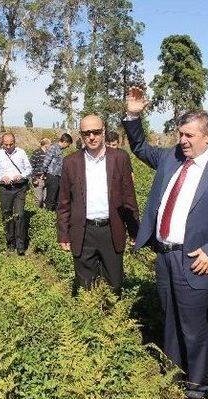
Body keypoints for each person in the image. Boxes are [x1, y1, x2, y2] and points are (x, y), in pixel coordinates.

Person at [122, 86, 208, 399]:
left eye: (190, 135)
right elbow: (137, 145)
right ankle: (175, 375)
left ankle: (198, 387)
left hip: (197, 260)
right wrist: (134, 115)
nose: (183, 141)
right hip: (165, 257)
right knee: (172, 319)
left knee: (197, 326)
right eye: (181, 134)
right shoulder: (171, 157)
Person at [57, 115, 139, 295]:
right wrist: (63, 234)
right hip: (83, 230)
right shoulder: (71, 162)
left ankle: (110, 319)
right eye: (87, 133)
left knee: (114, 284)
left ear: (103, 131)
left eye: (96, 132)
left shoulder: (119, 158)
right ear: (81, 135)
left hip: (111, 229)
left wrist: (134, 231)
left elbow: (129, 198)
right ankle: (90, 319)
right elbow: (64, 202)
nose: (92, 137)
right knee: (85, 286)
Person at [0, 132, 32, 255]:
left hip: (19, 188)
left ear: (15, 142)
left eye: (11, 144)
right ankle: (10, 242)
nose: (8, 146)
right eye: (5, 144)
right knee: (7, 215)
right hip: (5, 189)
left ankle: (20, 245)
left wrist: (21, 175)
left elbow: (29, 169)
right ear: (2, 144)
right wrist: (2, 177)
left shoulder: (21, 153)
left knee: (19, 215)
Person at [42, 133, 72, 211]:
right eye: (68, 144)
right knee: (51, 197)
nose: (68, 147)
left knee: (57, 197)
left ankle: (54, 214)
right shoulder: (53, 148)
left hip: (57, 176)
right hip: (52, 175)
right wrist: (44, 174)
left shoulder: (60, 150)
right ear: (65, 142)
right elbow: (46, 162)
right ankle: (47, 214)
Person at [29, 138, 50, 208]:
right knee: (38, 199)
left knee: (45, 199)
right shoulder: (37, 152)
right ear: (46, 145)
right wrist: (33, 178)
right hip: (38, 179)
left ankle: (44, 215)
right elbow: (30, 166)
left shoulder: (49, 153)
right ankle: (37, 214)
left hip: (46, 179)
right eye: (50, 144)